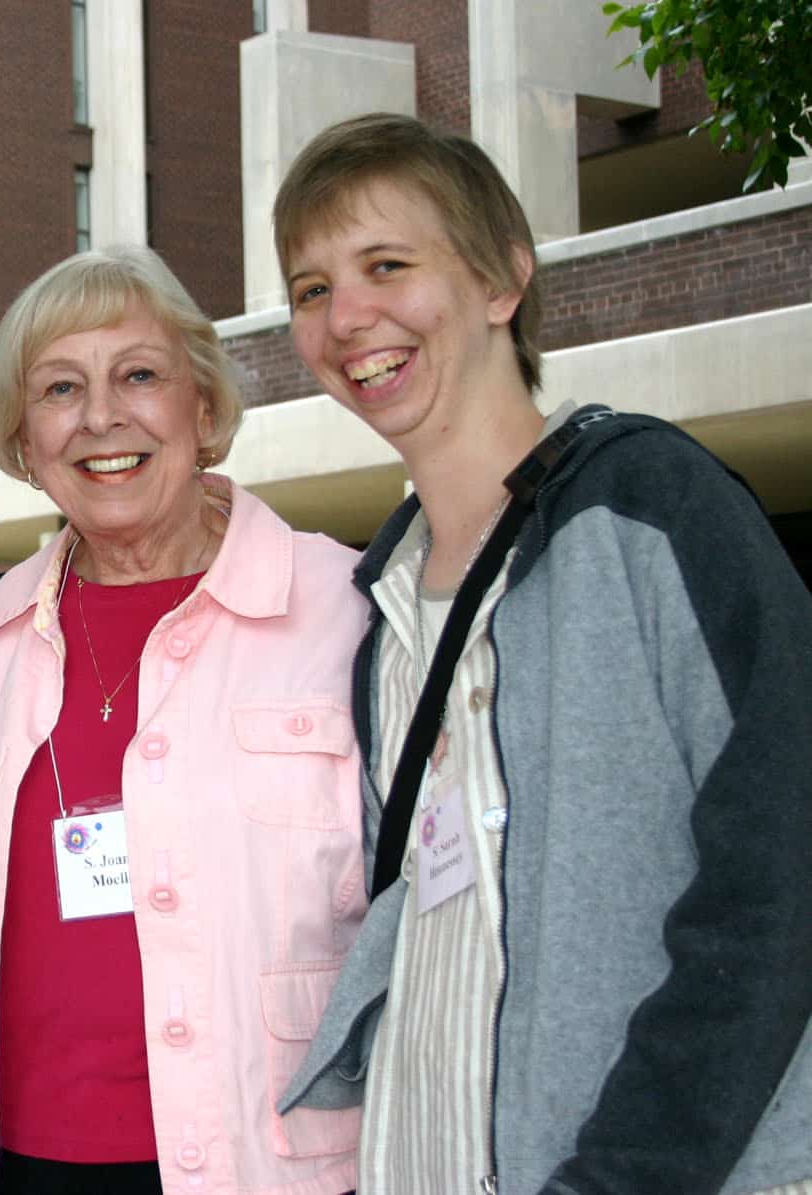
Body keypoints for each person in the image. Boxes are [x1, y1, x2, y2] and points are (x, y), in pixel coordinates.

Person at [273, 112, 812, 1195]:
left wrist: (631, 1172)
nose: (348, 318)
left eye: (388, 264)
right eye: (311, 288)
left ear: (502, 280)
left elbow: (779, 875)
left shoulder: (654, 507)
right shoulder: (377, 607)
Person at [0, 245, 369, 1195]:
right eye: (60, 389)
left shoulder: (347, 608)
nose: (101, 418)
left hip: (262, 1165)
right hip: (7, 1166)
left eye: (139, 376)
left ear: (202, 411)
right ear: (25, 443)